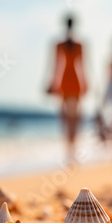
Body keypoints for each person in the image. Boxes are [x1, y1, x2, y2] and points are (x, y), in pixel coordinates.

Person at [47, 15, 87, 160]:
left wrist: (52, 83)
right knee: (74, 117)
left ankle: (69, 150)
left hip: (64, 81)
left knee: (66, 117)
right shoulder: (79, 45)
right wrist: (85, 83)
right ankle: (73, 148)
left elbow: (55, 67)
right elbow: (82, 67)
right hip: (75, 80)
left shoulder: (60, 45)